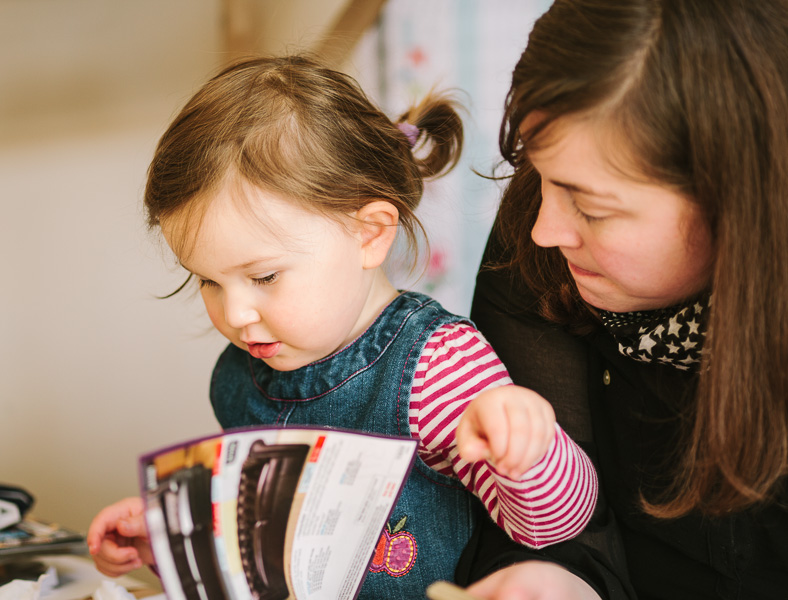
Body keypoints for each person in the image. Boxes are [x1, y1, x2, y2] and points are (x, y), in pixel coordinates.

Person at [86, 55, 598, 598]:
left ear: (369, 235)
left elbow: (552, 528)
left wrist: (532, 453)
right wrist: (170, 540)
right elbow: (255, 557)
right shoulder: (241, 373)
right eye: (208, 282)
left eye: (263, 276)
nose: (234, 315)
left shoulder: (437, 369)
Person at [454, 0, 788, 598]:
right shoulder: (539, 246)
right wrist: (552, 579)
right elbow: (548, 517)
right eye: (542, 176)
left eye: (594, 209)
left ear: (740, 204)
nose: (544, 229)